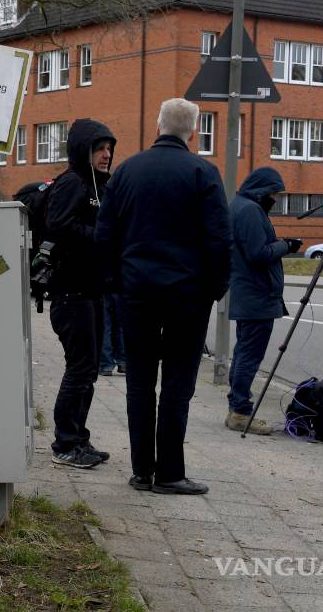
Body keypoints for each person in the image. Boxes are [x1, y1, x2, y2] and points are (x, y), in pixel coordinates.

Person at [95, 98, 231, 494]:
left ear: (157, 127)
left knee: (139, 381)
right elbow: (220, 239)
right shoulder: (203, 173)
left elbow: (105, 234)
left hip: (136, 291)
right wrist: (216, 287)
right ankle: (169, 472)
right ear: (193, 132)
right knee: (177, 383)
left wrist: (114, 282)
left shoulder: (126, 172)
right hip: (188, 295)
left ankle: (141, 470)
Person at [46, 119, 117, 469]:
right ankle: (65, 444)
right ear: (83, 150)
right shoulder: (73, 182)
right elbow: (58, 225)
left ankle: (78, 438)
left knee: (88, 370)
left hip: (91, 291)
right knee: (80, 368)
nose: (106, 155)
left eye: (109, 149)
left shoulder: (98, 185)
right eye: (99, 148)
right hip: (71, 293)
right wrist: (99, 237)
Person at [226, 167, 303, 434]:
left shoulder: (241, 206)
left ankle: (236, 408)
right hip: (256, 295)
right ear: (262, 191)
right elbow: (258, 254)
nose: (276, 199)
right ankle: (240, 412)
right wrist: (287, 246)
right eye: (274, 193)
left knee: (243, 352)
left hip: (250, 293)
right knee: (249, 356)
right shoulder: (249, 210)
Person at [99, 295, 126, 377]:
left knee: (105, 327)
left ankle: (106, 365)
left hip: (104, 291)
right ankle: (123, 361)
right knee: (121, 326)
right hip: (121, 291)